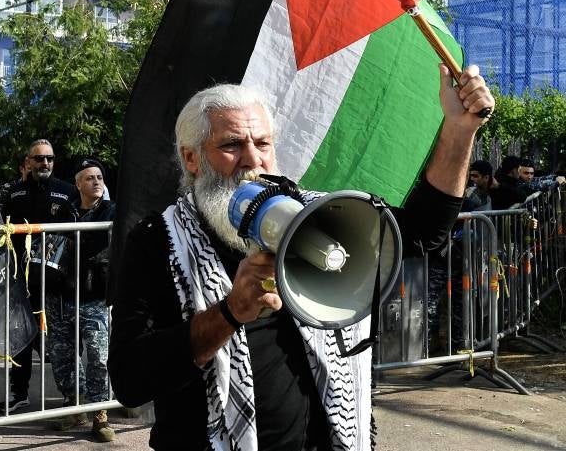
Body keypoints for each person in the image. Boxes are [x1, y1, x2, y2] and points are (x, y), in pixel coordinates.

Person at [108, 66, 494, 451]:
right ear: (192, 159)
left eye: (262, 143)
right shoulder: (158, 242)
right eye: (231, 146)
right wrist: (228, 314)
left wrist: (460, 131)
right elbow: (130, 380)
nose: (251, 160)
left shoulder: (315, 214)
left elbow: (422, 233)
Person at [0, 139, 78, 415]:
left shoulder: (68, 192)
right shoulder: (14, 193)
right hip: (21, 277)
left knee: (60, 340)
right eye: (39, 158)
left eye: (49, 159)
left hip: (57, 281)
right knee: (20, 338)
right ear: (28, 161)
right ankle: (19, 394)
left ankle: (71, 396)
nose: (45, 163)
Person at [45, 158, 114, 441]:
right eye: (89, 178)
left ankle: (100, 413)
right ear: (77, 184)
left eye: (99, 177)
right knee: (62, 357)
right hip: (62, 296)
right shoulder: (64, 211)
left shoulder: (111, 211)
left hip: (94, 296)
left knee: (98, 356)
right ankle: (75, 407)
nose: (96, 182)